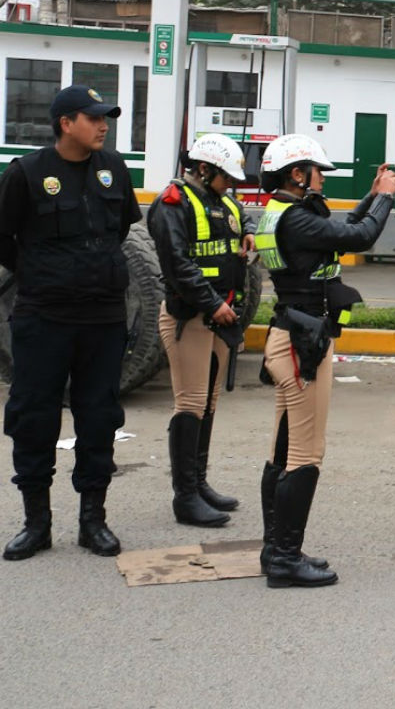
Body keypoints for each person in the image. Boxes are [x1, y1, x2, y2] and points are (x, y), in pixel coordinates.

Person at [0, 85, 141, 561]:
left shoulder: (113, 169)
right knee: (34, 416)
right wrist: (47, 272)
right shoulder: (26, 173)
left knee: (99, 416)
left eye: (105, 118)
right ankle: (36, 523)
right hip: (44, 316)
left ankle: (92, 521)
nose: (103, 125)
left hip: (102, 316)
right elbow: (4, 240)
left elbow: (119, 228)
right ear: (66, 123)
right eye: (94, 117)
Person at [254, 133, 395, 587]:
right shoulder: (296, 220)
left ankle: (275, 549)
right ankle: (284, 558)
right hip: (302, 343)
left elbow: (341, 234)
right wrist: (386, 200)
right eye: (317, 171)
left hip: (290, 335)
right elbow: (363, 236)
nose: (322, 179)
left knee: (282, 449)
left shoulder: (285, 214)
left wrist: (371, 196)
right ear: (298, 175)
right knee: (305, 453)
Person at [146, 133, 256, 528]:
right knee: (190, 404)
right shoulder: (172, 204)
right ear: (204, 169)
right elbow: (177, 264)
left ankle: (200, 483)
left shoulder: (222, 198)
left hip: (220, 319)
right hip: (190, 317)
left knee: (209, 402)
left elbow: (239, 215)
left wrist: (247, 231)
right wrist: (213, 304)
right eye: (226, 176)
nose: (232, 185)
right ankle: (185, 497)